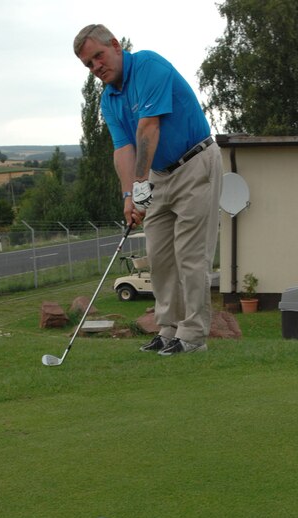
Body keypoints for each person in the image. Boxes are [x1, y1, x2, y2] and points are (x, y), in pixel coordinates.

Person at [73, 24, 222, 355]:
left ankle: (193, 336)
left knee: (191, 257)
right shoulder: (109, 99)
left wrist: (140, 185)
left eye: (98, 56)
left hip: (195, 164)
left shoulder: (149, 66)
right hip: (158, 175)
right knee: (159, 257)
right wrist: (129, 196)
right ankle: (168, 329)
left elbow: (148, 128)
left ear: (115, 45)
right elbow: (123, 148)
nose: (96, 66)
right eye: (88, 64)